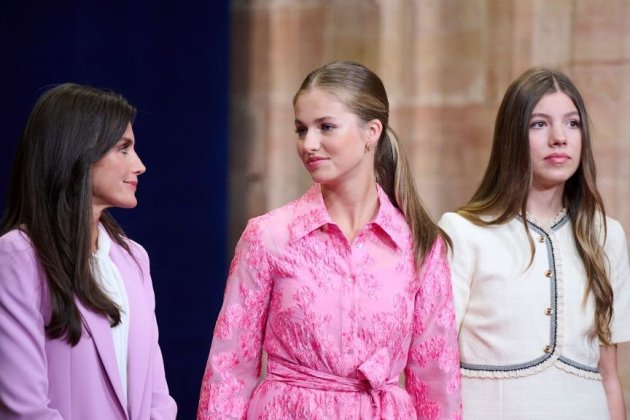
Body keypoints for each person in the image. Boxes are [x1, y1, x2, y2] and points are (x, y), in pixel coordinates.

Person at [197, 61, 462, 419]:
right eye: (301, 129)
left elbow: (436, 378)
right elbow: (229, 367)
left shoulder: (419, 244)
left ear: (372, 132)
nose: (309, 144)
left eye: (326, 127)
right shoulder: (269, 236)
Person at [438, 67, 630, 419]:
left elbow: (609, 375)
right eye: (539, 124)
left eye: (572, 124)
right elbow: (435, 363)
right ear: (512, 136)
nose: (560, 137)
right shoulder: (463, 232)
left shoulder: (606, 236)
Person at [0, 83, 177, 419]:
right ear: (79, 152)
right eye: (123, 149)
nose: (139, 165)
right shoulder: (17, 257)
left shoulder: (134, 258)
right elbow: (25, 410)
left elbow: (157, 396)